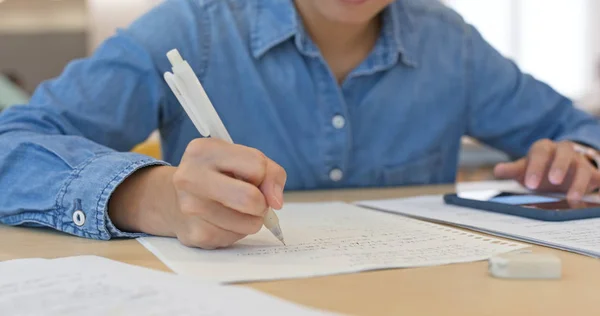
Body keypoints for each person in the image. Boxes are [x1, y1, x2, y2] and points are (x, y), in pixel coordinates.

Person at [1, 0, 599, 250]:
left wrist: (580, 157)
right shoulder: (190, 29)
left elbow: (580, 129)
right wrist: (143, 197)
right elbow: (12, 144)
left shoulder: (451, 43)